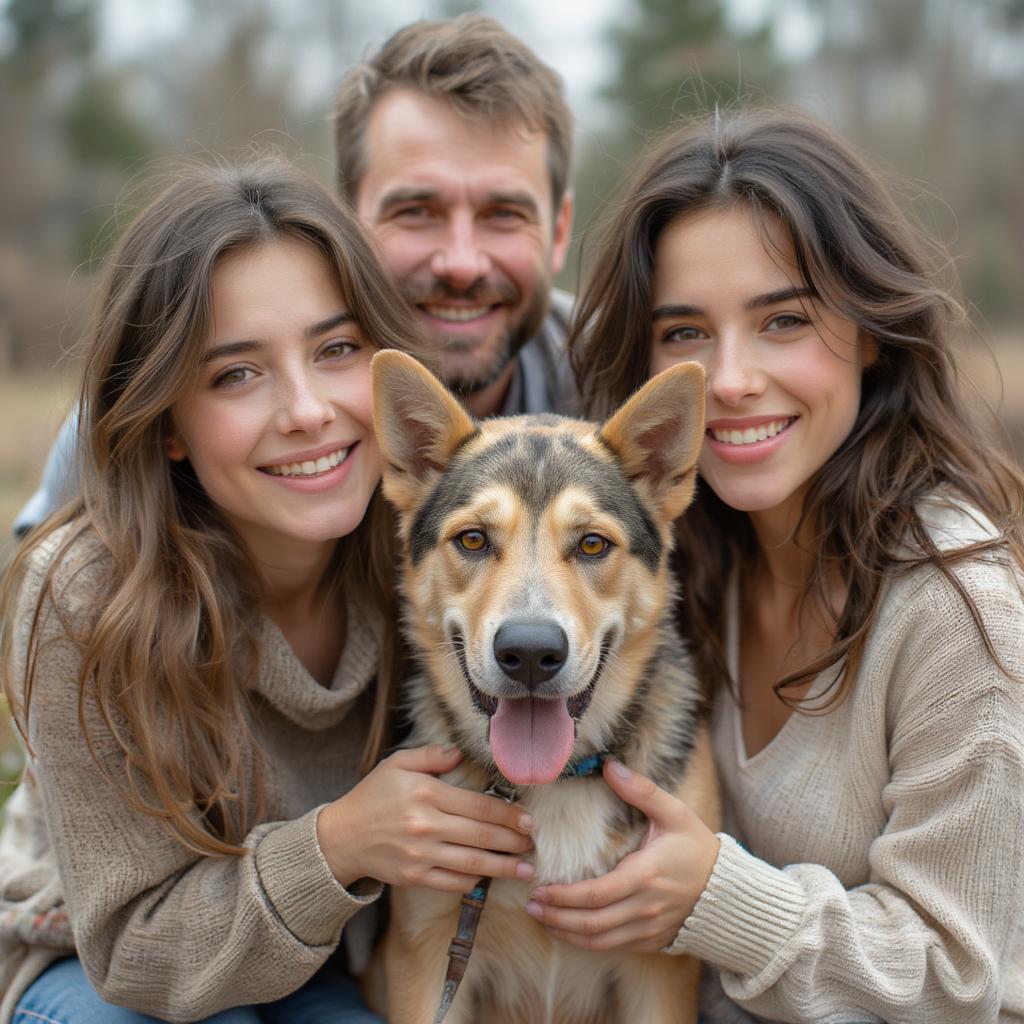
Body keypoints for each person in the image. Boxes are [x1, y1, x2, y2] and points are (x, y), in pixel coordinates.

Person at [0, 159, 535, 1023]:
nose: (307, 410)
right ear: (168, 421)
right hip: (100, 970)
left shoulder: (437, 551)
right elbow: (134, 951)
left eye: (335, 351)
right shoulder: (87, 596)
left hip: (319, 966)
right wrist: (342, 843)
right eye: (236, 374)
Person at [526, 108, 1024, 1023]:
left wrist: (720, 899)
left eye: (783, 320)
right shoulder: (671, 559)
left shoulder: (960, 608)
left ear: (871, 330)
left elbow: (962, 976)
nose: (731, 378)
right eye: (684, 334)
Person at [12, 13, 577, 540]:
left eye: (504, 214)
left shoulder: (611, 374)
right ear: (347, 223)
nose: (461, 261)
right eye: (416, 211)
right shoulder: (145, 421)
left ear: (557, 233)